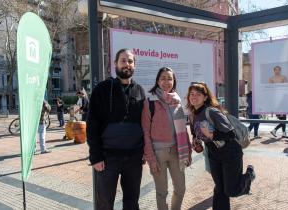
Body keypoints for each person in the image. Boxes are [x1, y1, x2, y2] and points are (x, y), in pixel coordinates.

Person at [86, 49, 145, 210]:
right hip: (107, 158)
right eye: (123, 60)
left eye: (130, 61)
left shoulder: (140, 91)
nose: (127, 64)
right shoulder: (102, 89)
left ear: (135, 65)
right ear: (115, 64)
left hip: (134, 157)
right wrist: (96, 157)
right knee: (104, 203)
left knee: (132, 203)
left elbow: (145, 124)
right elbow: (92, 125)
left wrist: (144, 151)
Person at [186, 82, 255, 210]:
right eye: (192, 94)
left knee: (231, 190)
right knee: (220, 188)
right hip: (213, 155)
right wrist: (197, 144)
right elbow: (196, 134)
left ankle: (250, 174)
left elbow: (230, 133)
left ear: (205, 97)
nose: (194, 97)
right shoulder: (192, 115)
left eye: (198, 94)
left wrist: (212, 135)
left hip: (230, 153)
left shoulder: (211, 112)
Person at [141, 67, 191, 210]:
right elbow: (145, 132)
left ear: (174, 81)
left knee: (180, 188)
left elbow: (183, 129)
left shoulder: (177, 102)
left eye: (170, 78)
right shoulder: (150, 102)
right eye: (163, 78)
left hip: (177, 151)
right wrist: (150, 158)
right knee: (162, 192)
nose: (166, 81)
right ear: (157, 81)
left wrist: (187, 150)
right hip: (158, 154)